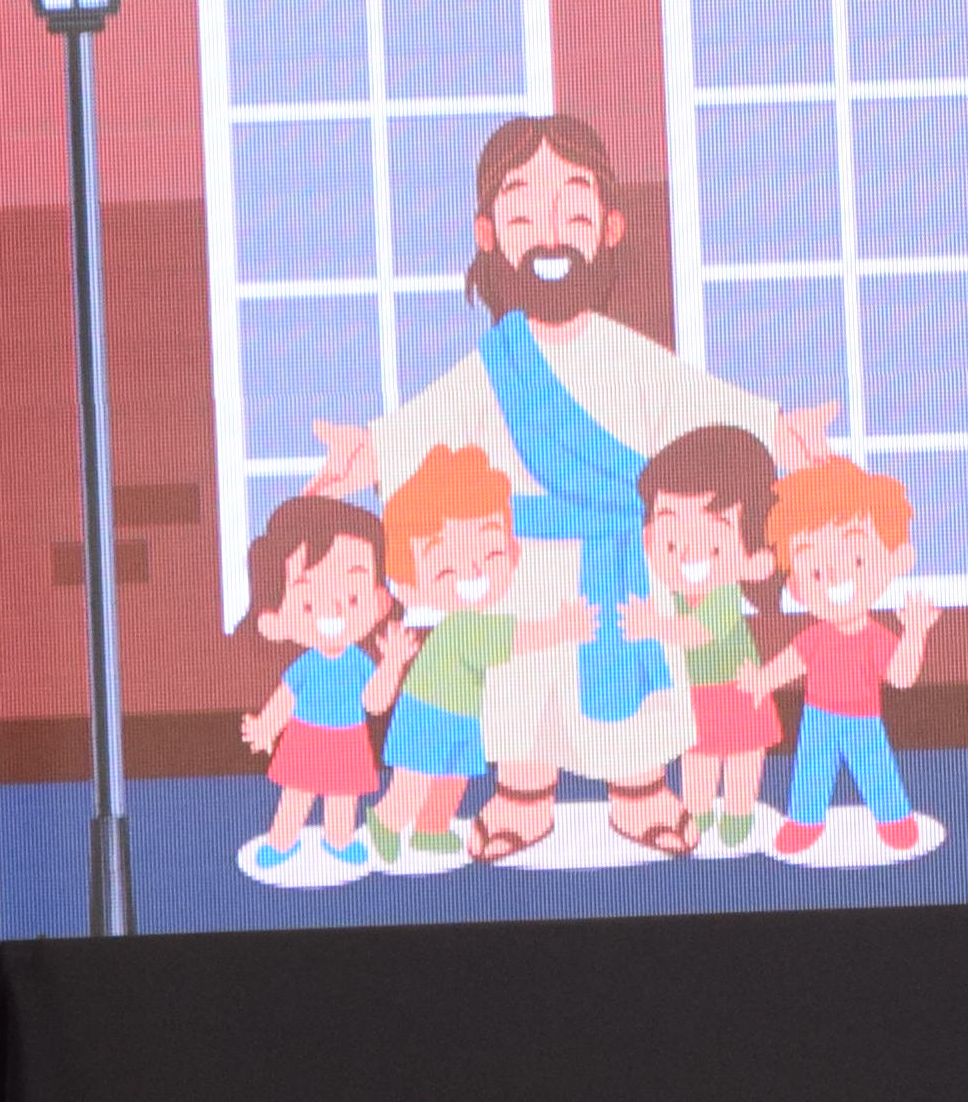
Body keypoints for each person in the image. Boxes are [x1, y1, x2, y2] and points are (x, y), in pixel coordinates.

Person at [305, 111, 829, 858]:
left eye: (573, 214)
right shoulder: (497, 365)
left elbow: (703, 406)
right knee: (525, 686)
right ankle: (523, 796)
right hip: (520, 561)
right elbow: (426, 425)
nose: (549, 237)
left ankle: (640, 790)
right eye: (523, 216)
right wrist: (366, 455)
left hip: (620, 557)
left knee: (633, 687)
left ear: (609, 228)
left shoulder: (630, 357)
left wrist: (781, 431)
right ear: (488, 234)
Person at [730, 459, 946, 862]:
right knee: (811, 770)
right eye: (815, 571)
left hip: (864, 720)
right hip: (818, 718)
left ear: (896, 559)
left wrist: (915, 633)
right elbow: (791, 662)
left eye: (858, 560)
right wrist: (761, 682)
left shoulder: (875, 637)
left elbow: (901, 676)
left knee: (876, 769)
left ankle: (894, 818)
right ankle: (804, 822)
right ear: (796, 586)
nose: (835, 578)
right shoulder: (816, 636)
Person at [366, 448, 531, 867]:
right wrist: (562, 629)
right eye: (446, 569)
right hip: (428, 712)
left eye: (491, 554)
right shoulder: (461, 625)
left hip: (465, 712)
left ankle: (432, 828)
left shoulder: (475, 619)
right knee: (416, 776)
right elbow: (515, 639)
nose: (473, 575)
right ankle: (387, 819)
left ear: (513, 554)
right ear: (406, 583)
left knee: (454, 776)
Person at [235, 492, 397, 886]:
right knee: (297, 794)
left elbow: (375, 703)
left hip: (348, 739)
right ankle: (280, 842)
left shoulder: (360, 662)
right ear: (276, 618)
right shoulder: (305, 664)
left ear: (378, 603)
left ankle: (338, 841)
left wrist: (392, 664)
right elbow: (285, 699)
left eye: (353, 597)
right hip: (305, 737)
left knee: (343, 797)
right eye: (308, 604)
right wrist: (266, 726)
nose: (333, 612)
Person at [639, 430, 785, 854]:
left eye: (713, 544)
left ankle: (739, 812)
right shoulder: (670, 596)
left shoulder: (722, 596)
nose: (687, 555)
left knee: (743, 755)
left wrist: (655, 626)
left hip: (737, 689)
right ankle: (698, 810)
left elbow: (697, 633)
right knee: (698, 756)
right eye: (670, 541)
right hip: (694, 693)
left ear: (757, 558)